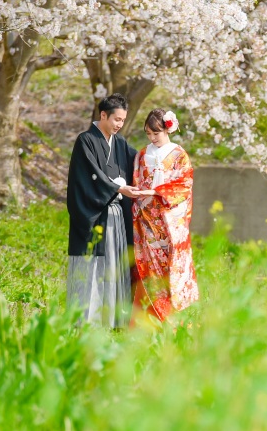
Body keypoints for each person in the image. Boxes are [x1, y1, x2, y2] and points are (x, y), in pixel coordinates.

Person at [66, 93, 139, 328]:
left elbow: (139, 162)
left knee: (115, 264)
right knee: (94, 265)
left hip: (117, 216)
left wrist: (163, 156)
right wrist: (118, 187)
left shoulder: (120, 143)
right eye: (116, 119)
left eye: (122, 120)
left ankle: (113, 319)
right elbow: (87, 176)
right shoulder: (85, 140)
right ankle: (85, 320)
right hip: (95, 214)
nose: (119, 125)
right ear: (103, 115)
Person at [131, 108, 199, 324]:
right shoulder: (142, 155)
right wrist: (141, 195)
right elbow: (137, 181)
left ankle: (173, 320)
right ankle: (147, 320)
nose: (152, 138)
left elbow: (184, 185)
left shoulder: (179, 154)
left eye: (156, 134)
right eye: (148, 134)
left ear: (167, 130)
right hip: (147, 218)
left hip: (169, 220)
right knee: (149, 268)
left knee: (171, 266)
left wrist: (155, 192)